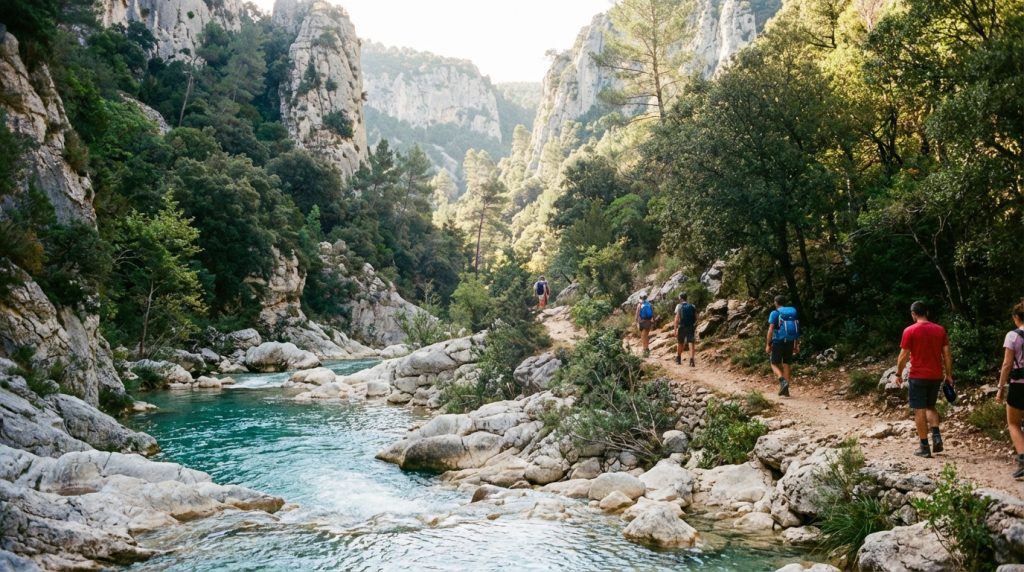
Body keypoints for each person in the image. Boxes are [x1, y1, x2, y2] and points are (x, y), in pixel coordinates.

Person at [894, 300, 953, 459]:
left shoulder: (909, 331)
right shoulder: (940, 330)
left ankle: (924, 447)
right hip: (936, 376)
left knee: (919, 409)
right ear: (926, 312)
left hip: (918, 376)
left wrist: (898, 374)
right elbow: (947, 355)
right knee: (930, 406)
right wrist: (949, 375)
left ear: (913, 314)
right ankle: (936, 436)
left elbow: (903, 355)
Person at [995, 300, 1024, 478]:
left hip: (1019, 384)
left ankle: (1023, 460)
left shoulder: (1012, 336)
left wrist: (1000, 388)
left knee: (1013, 423)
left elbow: (1006, 364)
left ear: (1016, 317)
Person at [765, 295, 800, 397]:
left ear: (776, 303)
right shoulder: (792, 313)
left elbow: (770, 329)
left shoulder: (775, 313)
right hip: (790, 341)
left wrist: (768, 344)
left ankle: (782, 381)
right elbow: (796, 329)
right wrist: (796, 345)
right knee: (786, 364)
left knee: (774, 363)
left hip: (778, 341)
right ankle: (786, 390)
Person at [674, 292, 697, 366]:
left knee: (680, 343)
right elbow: (696, 318)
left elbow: (676, 319)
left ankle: (678, 359)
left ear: (680, 298)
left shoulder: (679, 306)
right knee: (691, 343)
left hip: (682, 327)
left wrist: (675, 329)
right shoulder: (692, 306)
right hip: (690, 326)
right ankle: (692, 360)